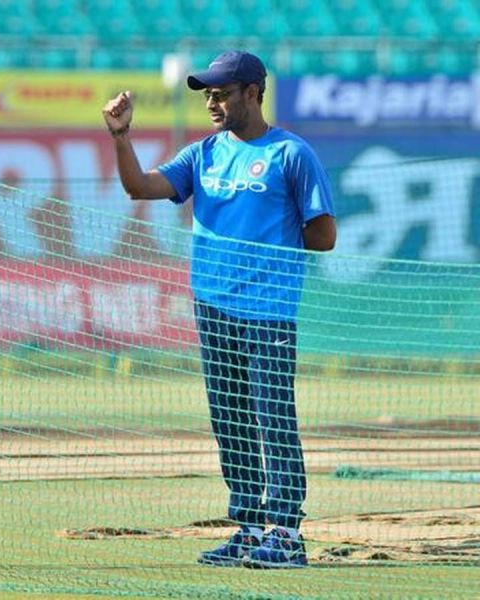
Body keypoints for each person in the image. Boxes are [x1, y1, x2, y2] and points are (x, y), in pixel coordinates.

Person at [102, 51, 336, 569]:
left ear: (253, 93)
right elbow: (140, 187)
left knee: (273, 419)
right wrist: (121, 137)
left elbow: (324, 234)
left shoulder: (291, 154)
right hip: (213, 309)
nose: (211, 101)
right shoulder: (203, 153)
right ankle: (250, 527)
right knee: (230, 421)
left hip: (269, 312)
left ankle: (286, 533)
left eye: (221, 92)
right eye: (207, 93)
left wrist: (267, 247)